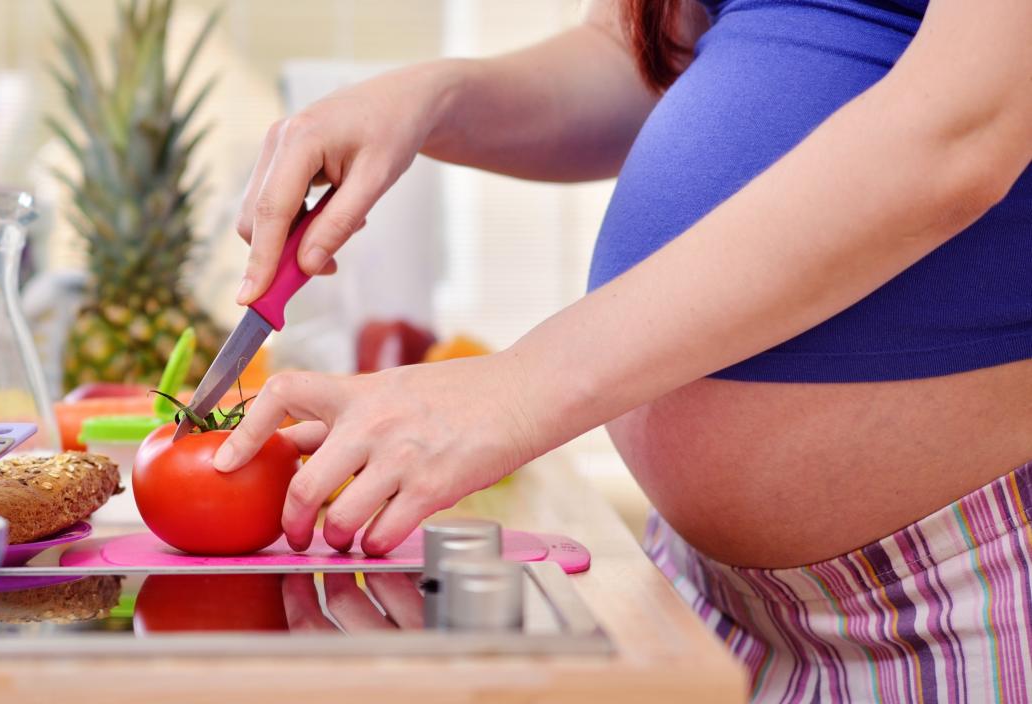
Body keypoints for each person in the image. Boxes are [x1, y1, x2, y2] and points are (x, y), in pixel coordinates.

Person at [214, 0, 1031, 700]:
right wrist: (438, 96)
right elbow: (646, 57)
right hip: (705, 603)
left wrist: (522, 387)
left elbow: (965, 125)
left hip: (968, 599)